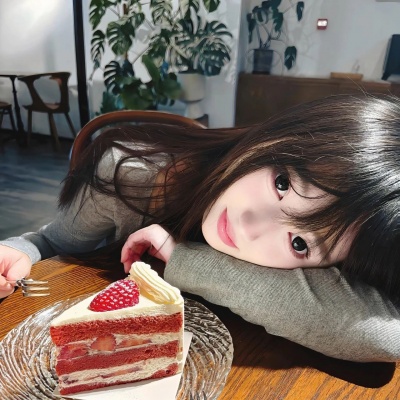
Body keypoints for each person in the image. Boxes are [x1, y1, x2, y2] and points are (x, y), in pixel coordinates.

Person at [1, 94, 400, 362]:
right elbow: (52, 240)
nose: (249, 227)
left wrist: (183, 258)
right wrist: (20, 250)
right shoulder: (134, 175)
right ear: (275, 138)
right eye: (283, 184)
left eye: (300, 243)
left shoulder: (350, 249)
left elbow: (387, 336)